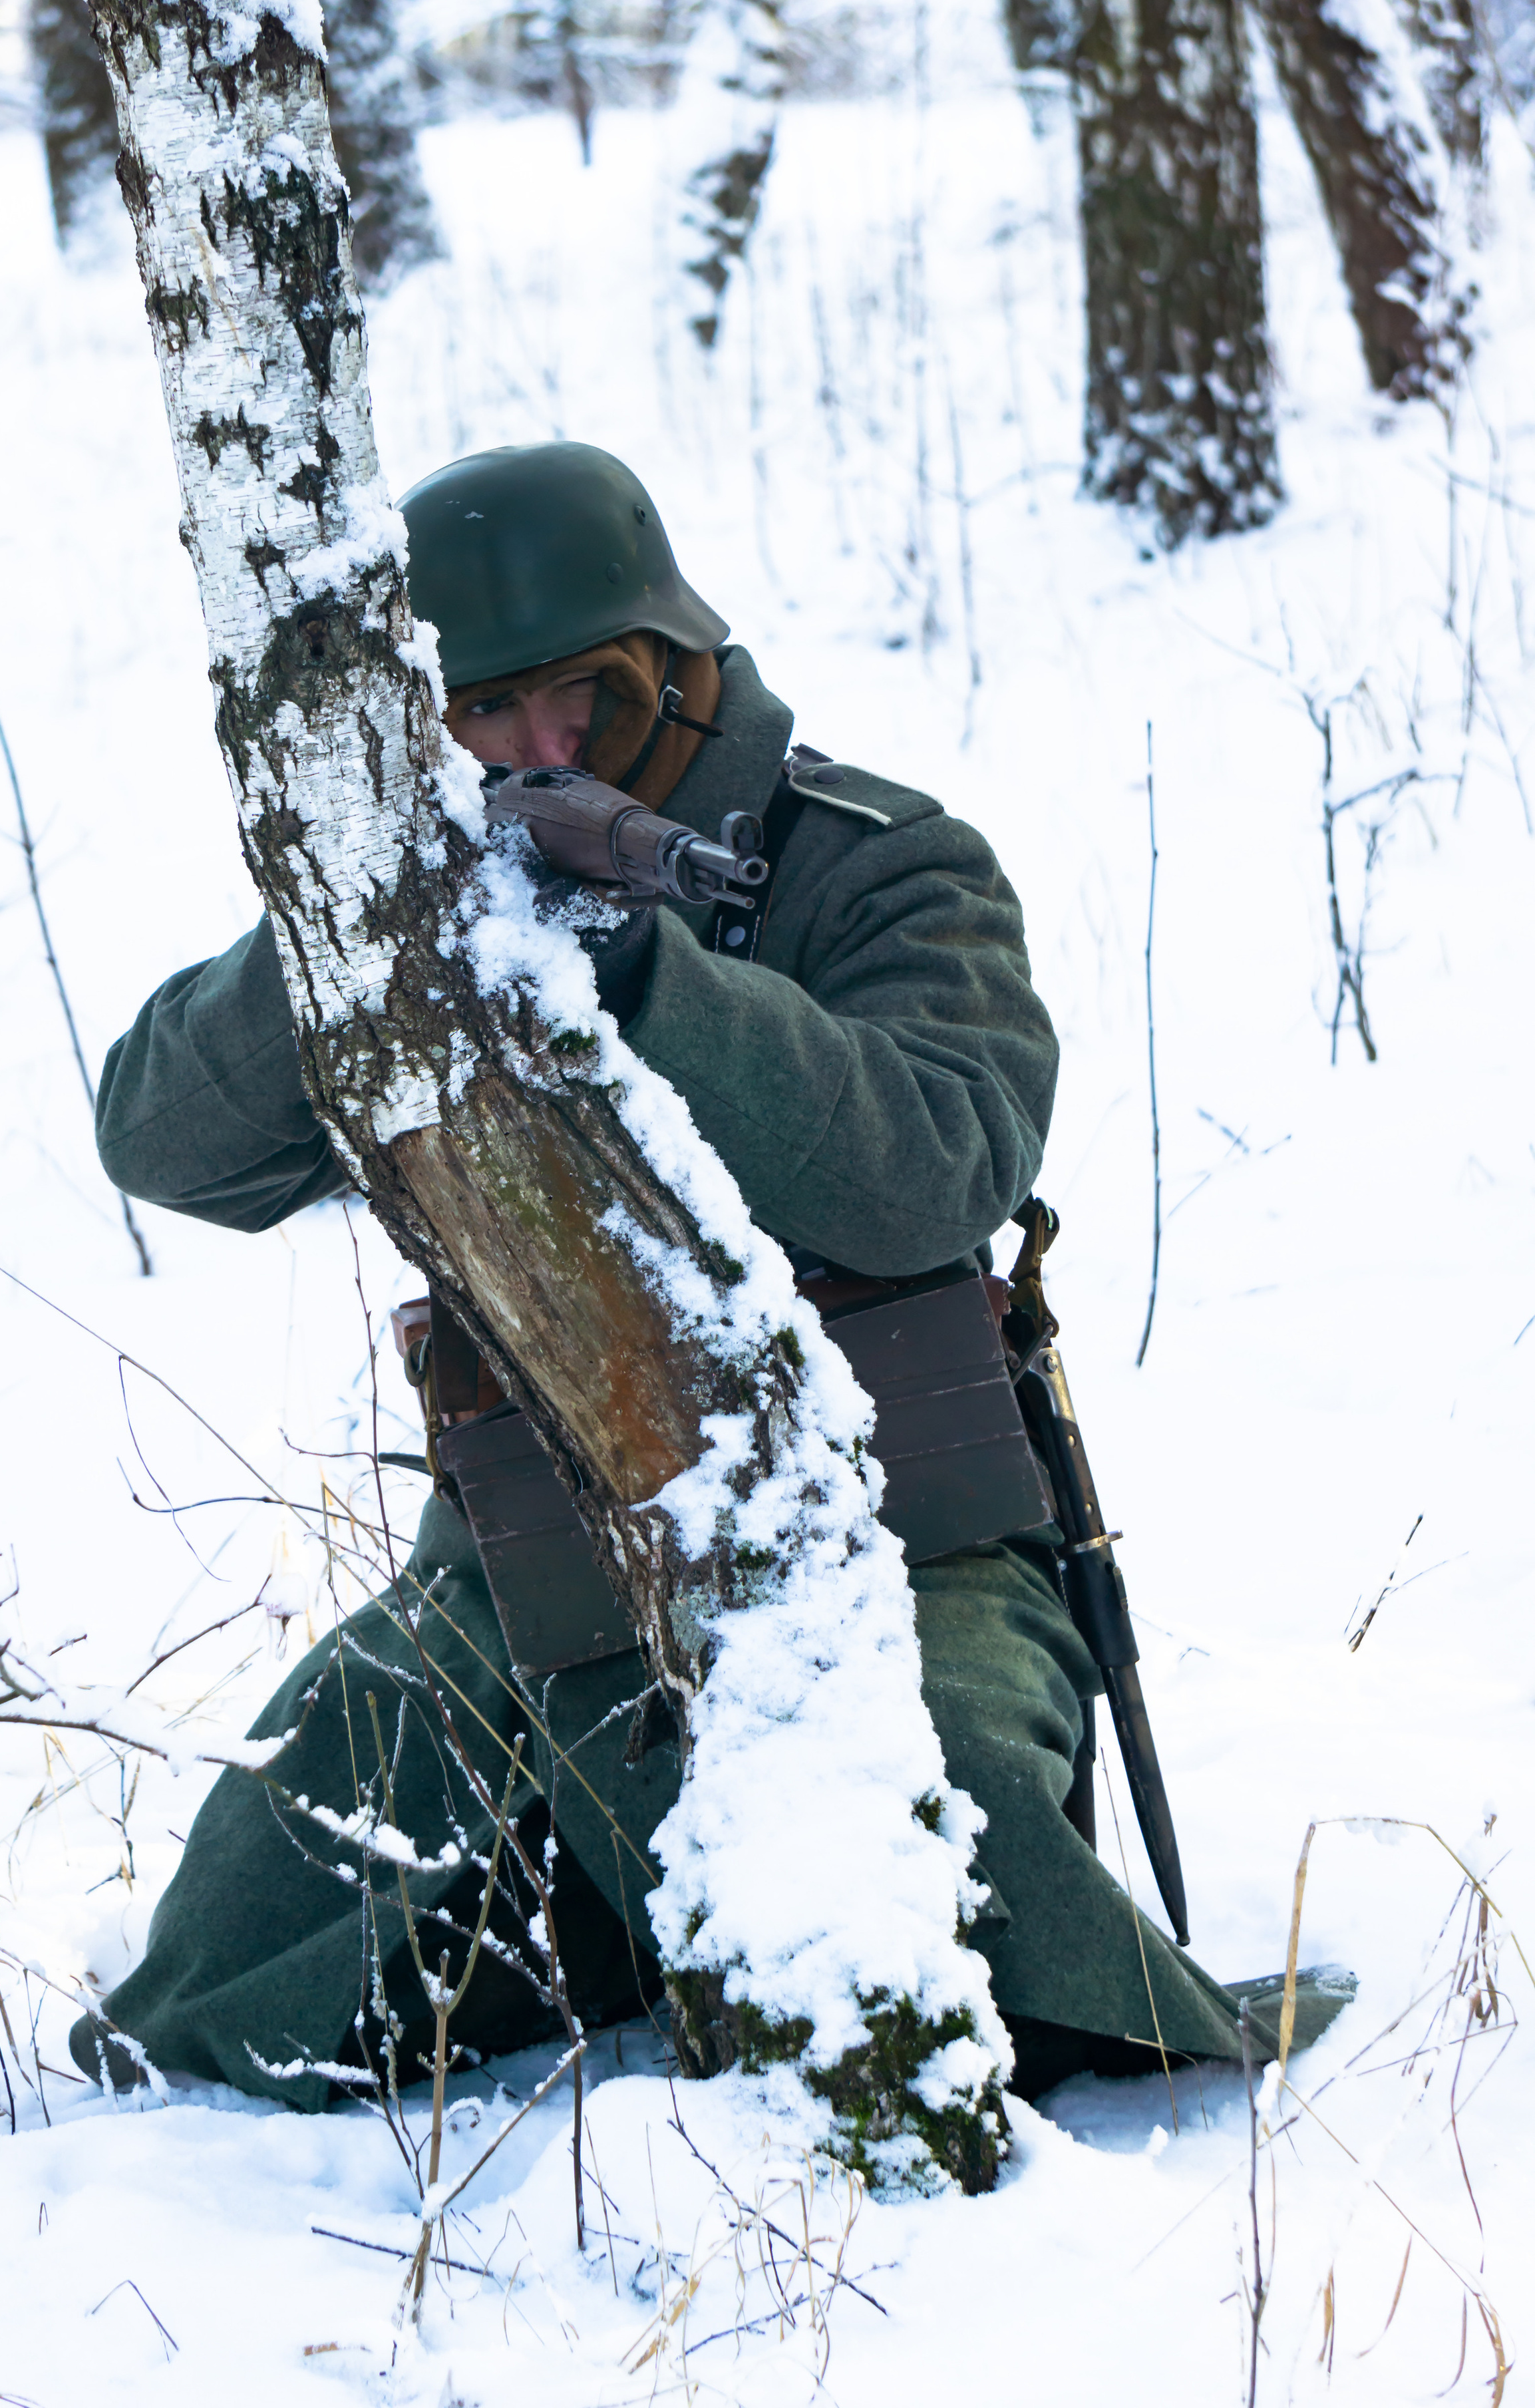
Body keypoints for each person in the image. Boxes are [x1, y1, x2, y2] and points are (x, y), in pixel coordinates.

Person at [74, 441, 1348, 2109]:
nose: (543, 753)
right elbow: (167, 1145)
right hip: (522, 1574)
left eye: (589, 701)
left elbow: (939, 1165)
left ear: (680, 671)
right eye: (484, 716)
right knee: (265, 1906)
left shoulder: (875, 863)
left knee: (933, 1813)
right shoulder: (427, 916)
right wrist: (355, 917)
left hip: (901, 1549)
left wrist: (651, 978)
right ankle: (600, 1933)